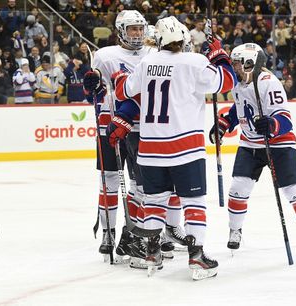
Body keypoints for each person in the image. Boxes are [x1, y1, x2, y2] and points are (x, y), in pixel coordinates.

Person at [109, 16, 236, 279]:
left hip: (151, 149)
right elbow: (226, 82)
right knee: (193, 202)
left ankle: (152, 252)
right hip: (185, 147)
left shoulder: (147, 62)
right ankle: (197, 256)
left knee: (154, 201)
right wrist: (219, 55)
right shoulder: (194, 62)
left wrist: (119, 76)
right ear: (184, 39)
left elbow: (124, 91)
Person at [209, 43, 296, 259]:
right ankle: (235, 230)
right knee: (238, 188)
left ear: (250, 63)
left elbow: (285, 119)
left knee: (294, 191)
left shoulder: (269, 83)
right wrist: (226, 123)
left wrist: (272, 125)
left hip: (279, 144)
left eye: (236, 63)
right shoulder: (239, 82)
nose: (233, 67)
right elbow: (240, 107)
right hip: (250, 143)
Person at [83, 10, 162, 268]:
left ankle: (136, 233)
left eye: (140, 28)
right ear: (121, 31)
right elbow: (95, 92)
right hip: (111, 126)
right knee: (109, 181)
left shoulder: (154, 54)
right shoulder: (105, 56)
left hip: (143, 129)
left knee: (140, 185)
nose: (137, 33)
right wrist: (91, 86)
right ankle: (108, 232)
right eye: (132, 29)